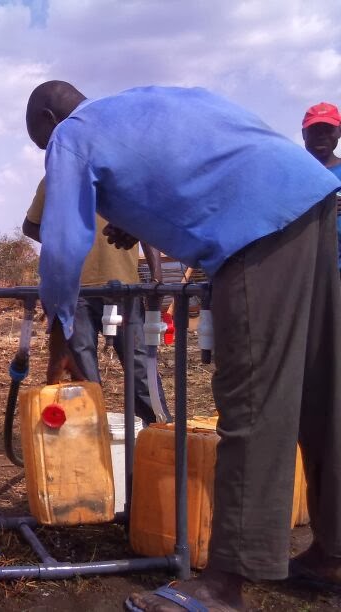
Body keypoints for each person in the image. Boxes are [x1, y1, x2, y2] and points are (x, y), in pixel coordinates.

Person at [25, 81, 341, 611]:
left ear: (48, 119)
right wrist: (137, 217)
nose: (45, 151)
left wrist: (57, 327)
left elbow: (62, 248)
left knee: (253, 403)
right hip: (311, 199)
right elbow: (197, 165)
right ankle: (333, 554)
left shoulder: (71, 135)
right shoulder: (139, 103)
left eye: (40, 141)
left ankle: (224, 585)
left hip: (254, 230)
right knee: (322, 391)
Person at [22, 178, 170, 425]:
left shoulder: (122, 176)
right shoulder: (55, 178)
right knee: (85, 374)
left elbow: (146, 224)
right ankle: (93, 433)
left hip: (125, 289)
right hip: (76, 291)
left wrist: (157, 276)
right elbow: (30, 226)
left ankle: (157, 431)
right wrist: (63, 242)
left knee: (140, 368)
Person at [301, 102, 341, 276]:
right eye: (315, 130)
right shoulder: (292, 174)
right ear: (304, 134)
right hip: (306, 270)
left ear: (339, 132)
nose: (321, 136)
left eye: (328, 130)